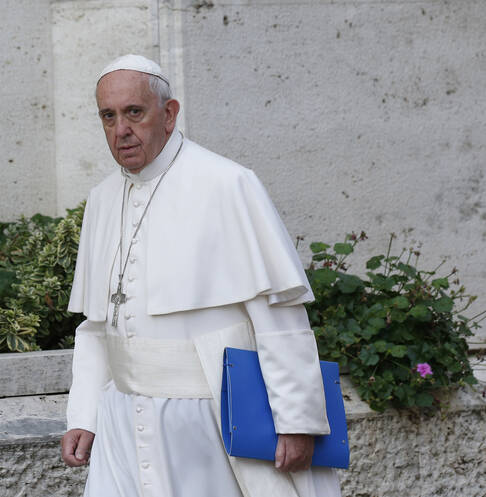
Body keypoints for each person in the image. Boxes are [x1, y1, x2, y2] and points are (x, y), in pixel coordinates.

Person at [61, 54, 341, 497]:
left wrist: (297, 420)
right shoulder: (102, 199)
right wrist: (84, 415)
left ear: (168, 114)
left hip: (209, 421)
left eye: (135, 112)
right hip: (121, 419)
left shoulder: (227, 184)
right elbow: (97, 324)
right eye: (108, 116)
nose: (121, 130)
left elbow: (278, 315)